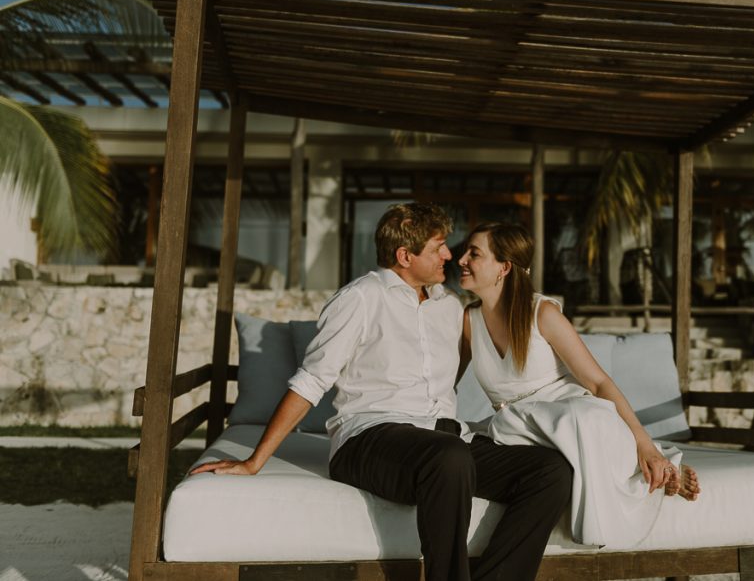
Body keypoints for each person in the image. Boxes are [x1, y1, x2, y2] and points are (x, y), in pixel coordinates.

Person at [192, 203, 572, 581]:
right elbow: (311, 379)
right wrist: (254, 461)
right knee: (450, 456)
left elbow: (457, 376)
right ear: (405, 256)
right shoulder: (359, 299)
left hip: (440, 440)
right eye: (438, 247)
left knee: (550, 470)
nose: (449, 255)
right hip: (368, 438)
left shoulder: (450, 306)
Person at [457, 222, 700, 548]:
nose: (461, 259)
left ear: (504, 267)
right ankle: (648, 466)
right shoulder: (468, 322)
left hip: (573, 414)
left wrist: (645, 445)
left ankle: (654, 462)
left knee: (583, 418)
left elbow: (598, 383)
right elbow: (445, 383)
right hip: (517, 426)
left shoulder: (540, 313)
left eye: (474, 253)